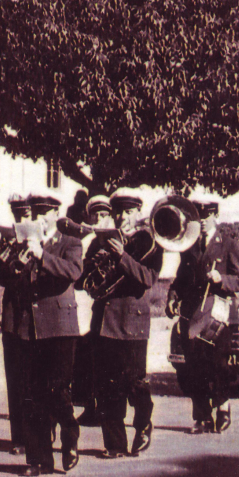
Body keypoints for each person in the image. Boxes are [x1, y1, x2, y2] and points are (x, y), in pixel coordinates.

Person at [85, 189, 163, 458]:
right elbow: (84, 280)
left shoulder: (148, 241)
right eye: (118, 212)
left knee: (135, 383)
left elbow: (148, 279)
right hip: (105, 321)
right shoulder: (100, 241)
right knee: (107, 386)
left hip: (132, 322)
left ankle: (143, 424)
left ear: (138, 213)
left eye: (129, 212)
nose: (122, 217)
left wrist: (122, 258)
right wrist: (93, 262)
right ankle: (114, 445)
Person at [11, 191, 83, 476]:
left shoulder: (70, 243)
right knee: (32, 394)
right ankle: (38, 459)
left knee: (58, 391)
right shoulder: (26, 245)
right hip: (32, 328)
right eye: (34, 213)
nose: (37, 218)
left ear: (55, 214)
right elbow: (13, 279)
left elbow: (73, 271)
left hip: (61, 329)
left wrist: (42, 256)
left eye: (43, 213)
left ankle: (70, 435)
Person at [168, 191, 239, 434]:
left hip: (219, 316)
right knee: (194, 366)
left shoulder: (229, 244)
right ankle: (202, 416)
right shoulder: (188, 244)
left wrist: (221, 278)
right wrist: (172, 297)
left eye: (207, 214)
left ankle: (223, 407)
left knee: (218, 364)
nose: (202, 219)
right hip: (193, 314)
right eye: (198, 215)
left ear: (216, 215)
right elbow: (180, 279)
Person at [0, 193, 31, 455]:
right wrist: (6, 259)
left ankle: (41, 430)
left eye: (26, 216)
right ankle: (19, 437)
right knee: (15, 379)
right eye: (17, 216)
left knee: (35, 379)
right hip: (12, 317)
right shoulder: (4, 243)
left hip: (37, 316)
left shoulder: (43, 242)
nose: (21, 220)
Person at [73, 195, 112, 426]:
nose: (100, 219)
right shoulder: (88, 241)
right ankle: (90, 405)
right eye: (96, 215)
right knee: (89, 359)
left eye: (105, 215)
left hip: (112, 307)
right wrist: (91, 265)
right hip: (90, 306)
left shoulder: (119, 239)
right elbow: (78, 278)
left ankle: (106, 409)